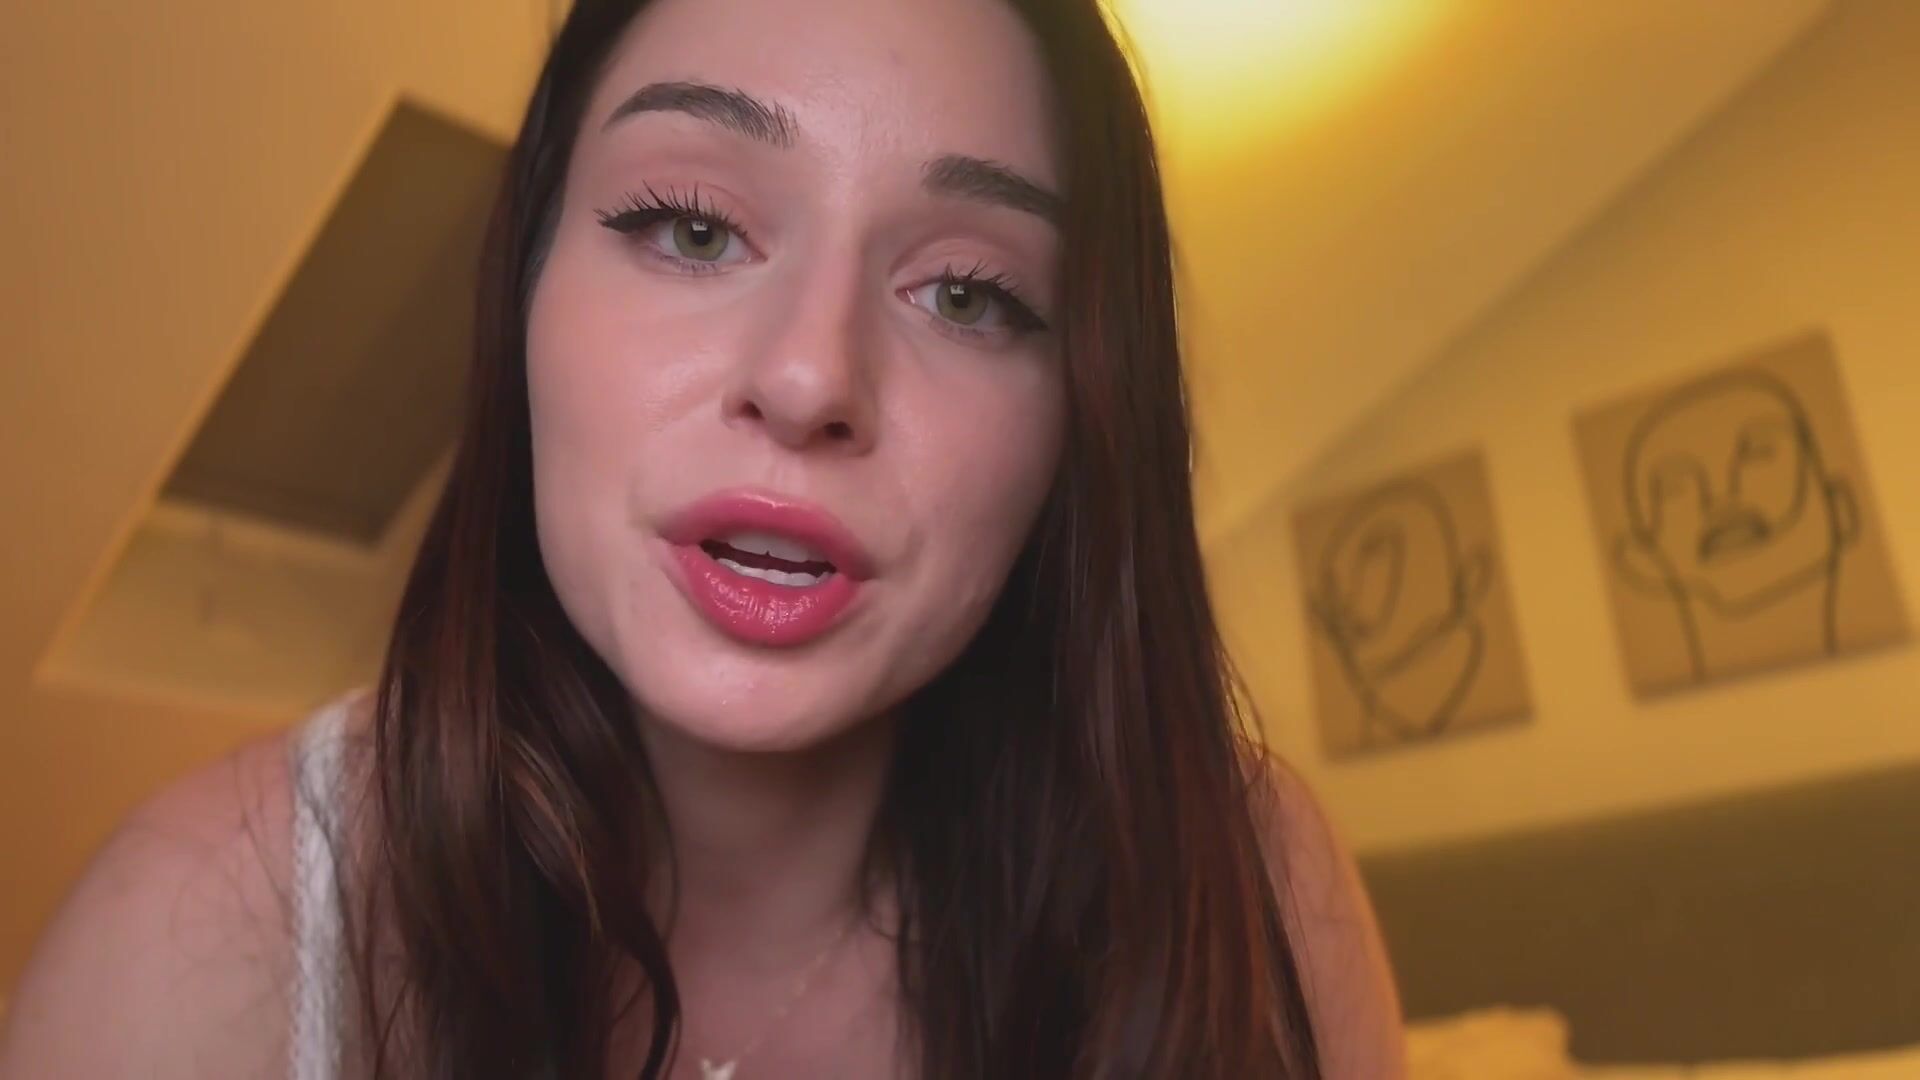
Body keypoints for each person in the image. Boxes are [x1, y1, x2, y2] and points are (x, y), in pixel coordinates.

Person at [1, 0, 1404, 1076]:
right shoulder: (200, 934)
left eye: (968, 295)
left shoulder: (1249, 894)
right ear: (525, 287)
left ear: (1082, 423)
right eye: (689, 229)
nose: (808, 378)